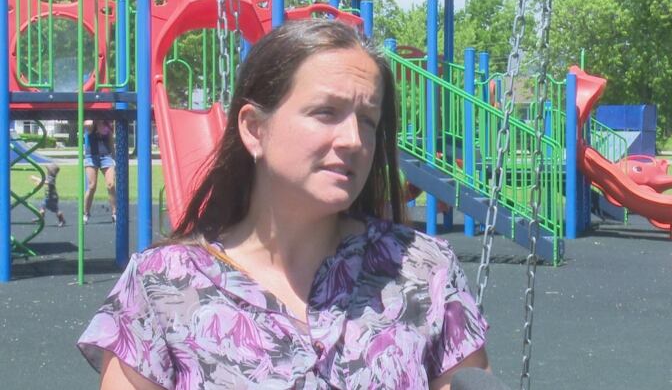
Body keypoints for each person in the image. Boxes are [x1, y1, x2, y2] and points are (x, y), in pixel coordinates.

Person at [77, 19, 489, 389]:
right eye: (326, 112)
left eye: (367, 120)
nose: (354, 140)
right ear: (255, 129)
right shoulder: (163, 285)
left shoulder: (421, 270)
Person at [84, 119, 116, 224]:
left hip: (106, 156)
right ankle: (86, 213)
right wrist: (95, 123)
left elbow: (111, 141)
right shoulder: (90, 124)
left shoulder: (108, 124)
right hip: (91, 156)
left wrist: (114, 156)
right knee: (92, 186)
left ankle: (115, 213)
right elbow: (87, 126)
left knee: (111, 185)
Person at [31, 163, 66, 227]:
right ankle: (40, 218)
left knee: (55, 210)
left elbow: (46, 182)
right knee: (42, 208)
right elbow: (43, 183)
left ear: (50, 172)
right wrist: (37, 183)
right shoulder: (48, 177)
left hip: (52, 198)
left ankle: (62, 220)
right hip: (47, 197)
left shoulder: (51, 178)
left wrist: (36, 179)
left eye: (48, 170)